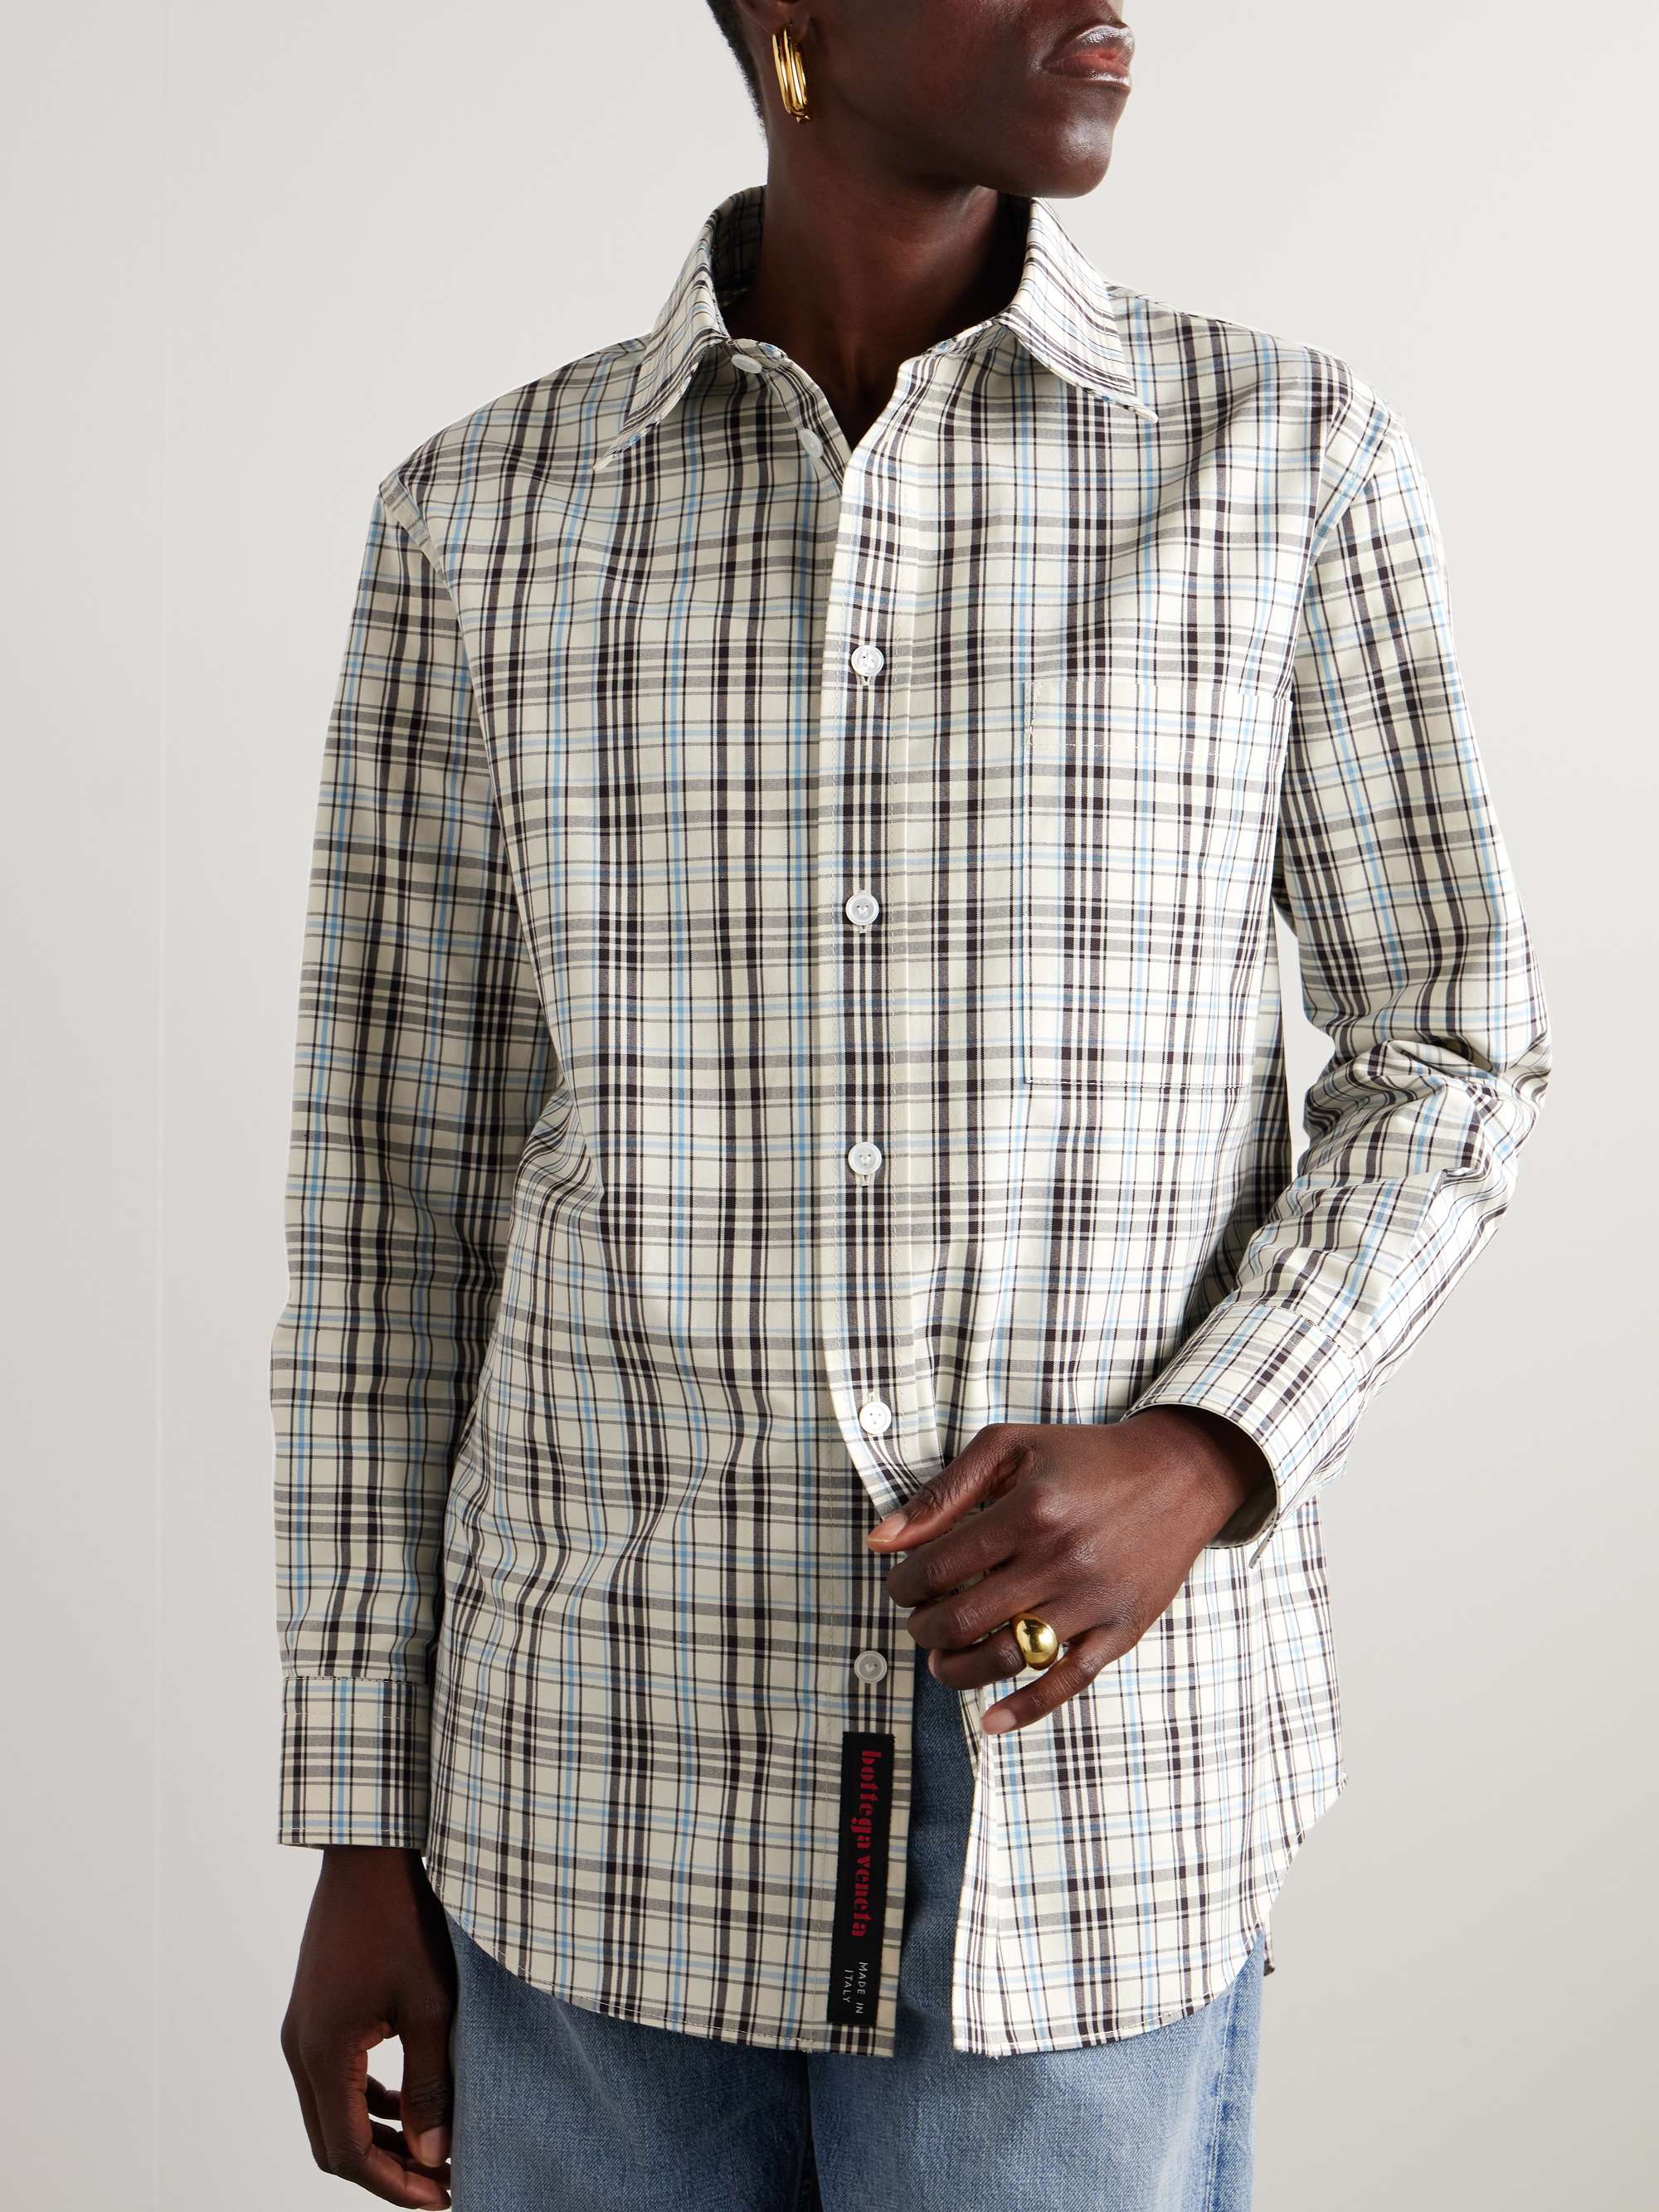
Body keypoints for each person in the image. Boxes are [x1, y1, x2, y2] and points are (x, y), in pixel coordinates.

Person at [270, 3, 1552, 2207]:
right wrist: (359, 1822)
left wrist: (1210, 1444)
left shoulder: (1284, 463)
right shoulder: (484, 518)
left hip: (1084, 1814)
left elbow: (1451, 1051)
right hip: (592, 1811)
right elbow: (394, 1208)